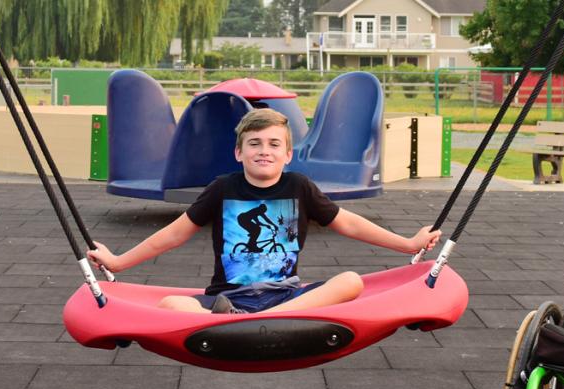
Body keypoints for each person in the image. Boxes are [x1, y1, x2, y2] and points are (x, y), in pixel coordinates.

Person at [87, 108, 440, 314]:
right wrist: (118, 262)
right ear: (239, 153)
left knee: (350, 281)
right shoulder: (222, 188)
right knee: (170, 305)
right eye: (254, 144)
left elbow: (349, 223)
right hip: (226, 296)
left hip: (286, 293)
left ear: (288, 155)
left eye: (274, 144)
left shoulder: (299, 187)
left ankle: (264, 318)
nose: (264, 151)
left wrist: (409, 244)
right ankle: (236, 317)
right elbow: (175, 233)